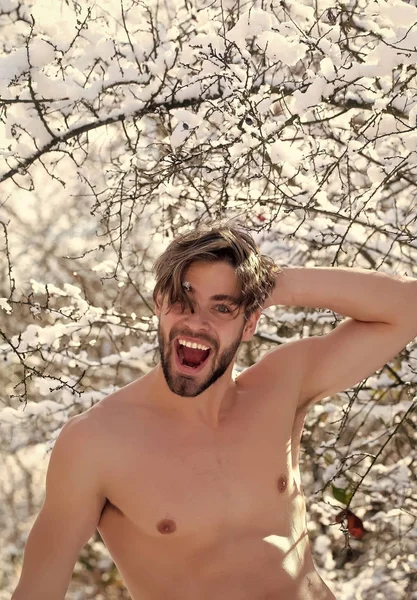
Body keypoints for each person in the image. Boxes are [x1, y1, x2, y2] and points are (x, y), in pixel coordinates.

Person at [12, 220, 417, 600]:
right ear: (159, 303)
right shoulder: (95, 443)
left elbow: (407, 307)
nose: (197, 322)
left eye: (222, 308)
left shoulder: (280, 388)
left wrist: (270, 283)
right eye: (182, 301)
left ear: (250, 323)